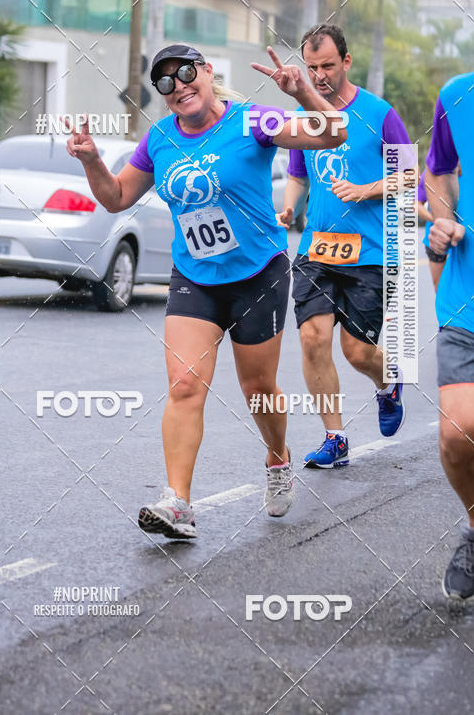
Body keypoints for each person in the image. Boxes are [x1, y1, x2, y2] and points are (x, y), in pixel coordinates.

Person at [68, 43, 346, 539]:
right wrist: (91, 160)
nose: (179, 86)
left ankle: (277, 458)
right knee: (184, 386)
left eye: (187, 73)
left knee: (257, 390)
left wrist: (302, 90)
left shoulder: (251, 122)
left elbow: (333, 134)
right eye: (166, 82)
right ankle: (178, 502)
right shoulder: (158, 140)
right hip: (195, 276)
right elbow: (114, 198)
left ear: (208, 72)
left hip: (258, 274)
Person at [279, 23, 414, 469]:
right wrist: (289, 207)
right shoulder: (307, 115)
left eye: (328, 66)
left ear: (347, 62)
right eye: (312, 67)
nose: (319, 75)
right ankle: (334, 436)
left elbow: (412, 177)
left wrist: (367, 189)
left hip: (372, 253)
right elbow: (297, 172)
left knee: (357, 351)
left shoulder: (378, 114)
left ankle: (388, 379)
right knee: (313, 338)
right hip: (317, 249)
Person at [425, 68, 474, 601]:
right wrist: (443, 218)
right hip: (473, 300)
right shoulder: (461, 95)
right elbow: (439, 172)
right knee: (458, 433)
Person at [418, 169, 445, 292]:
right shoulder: (430, 172)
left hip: (467, 242)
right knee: (440, 290)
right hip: (435, 240)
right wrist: (438, 220)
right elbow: (416, 205)